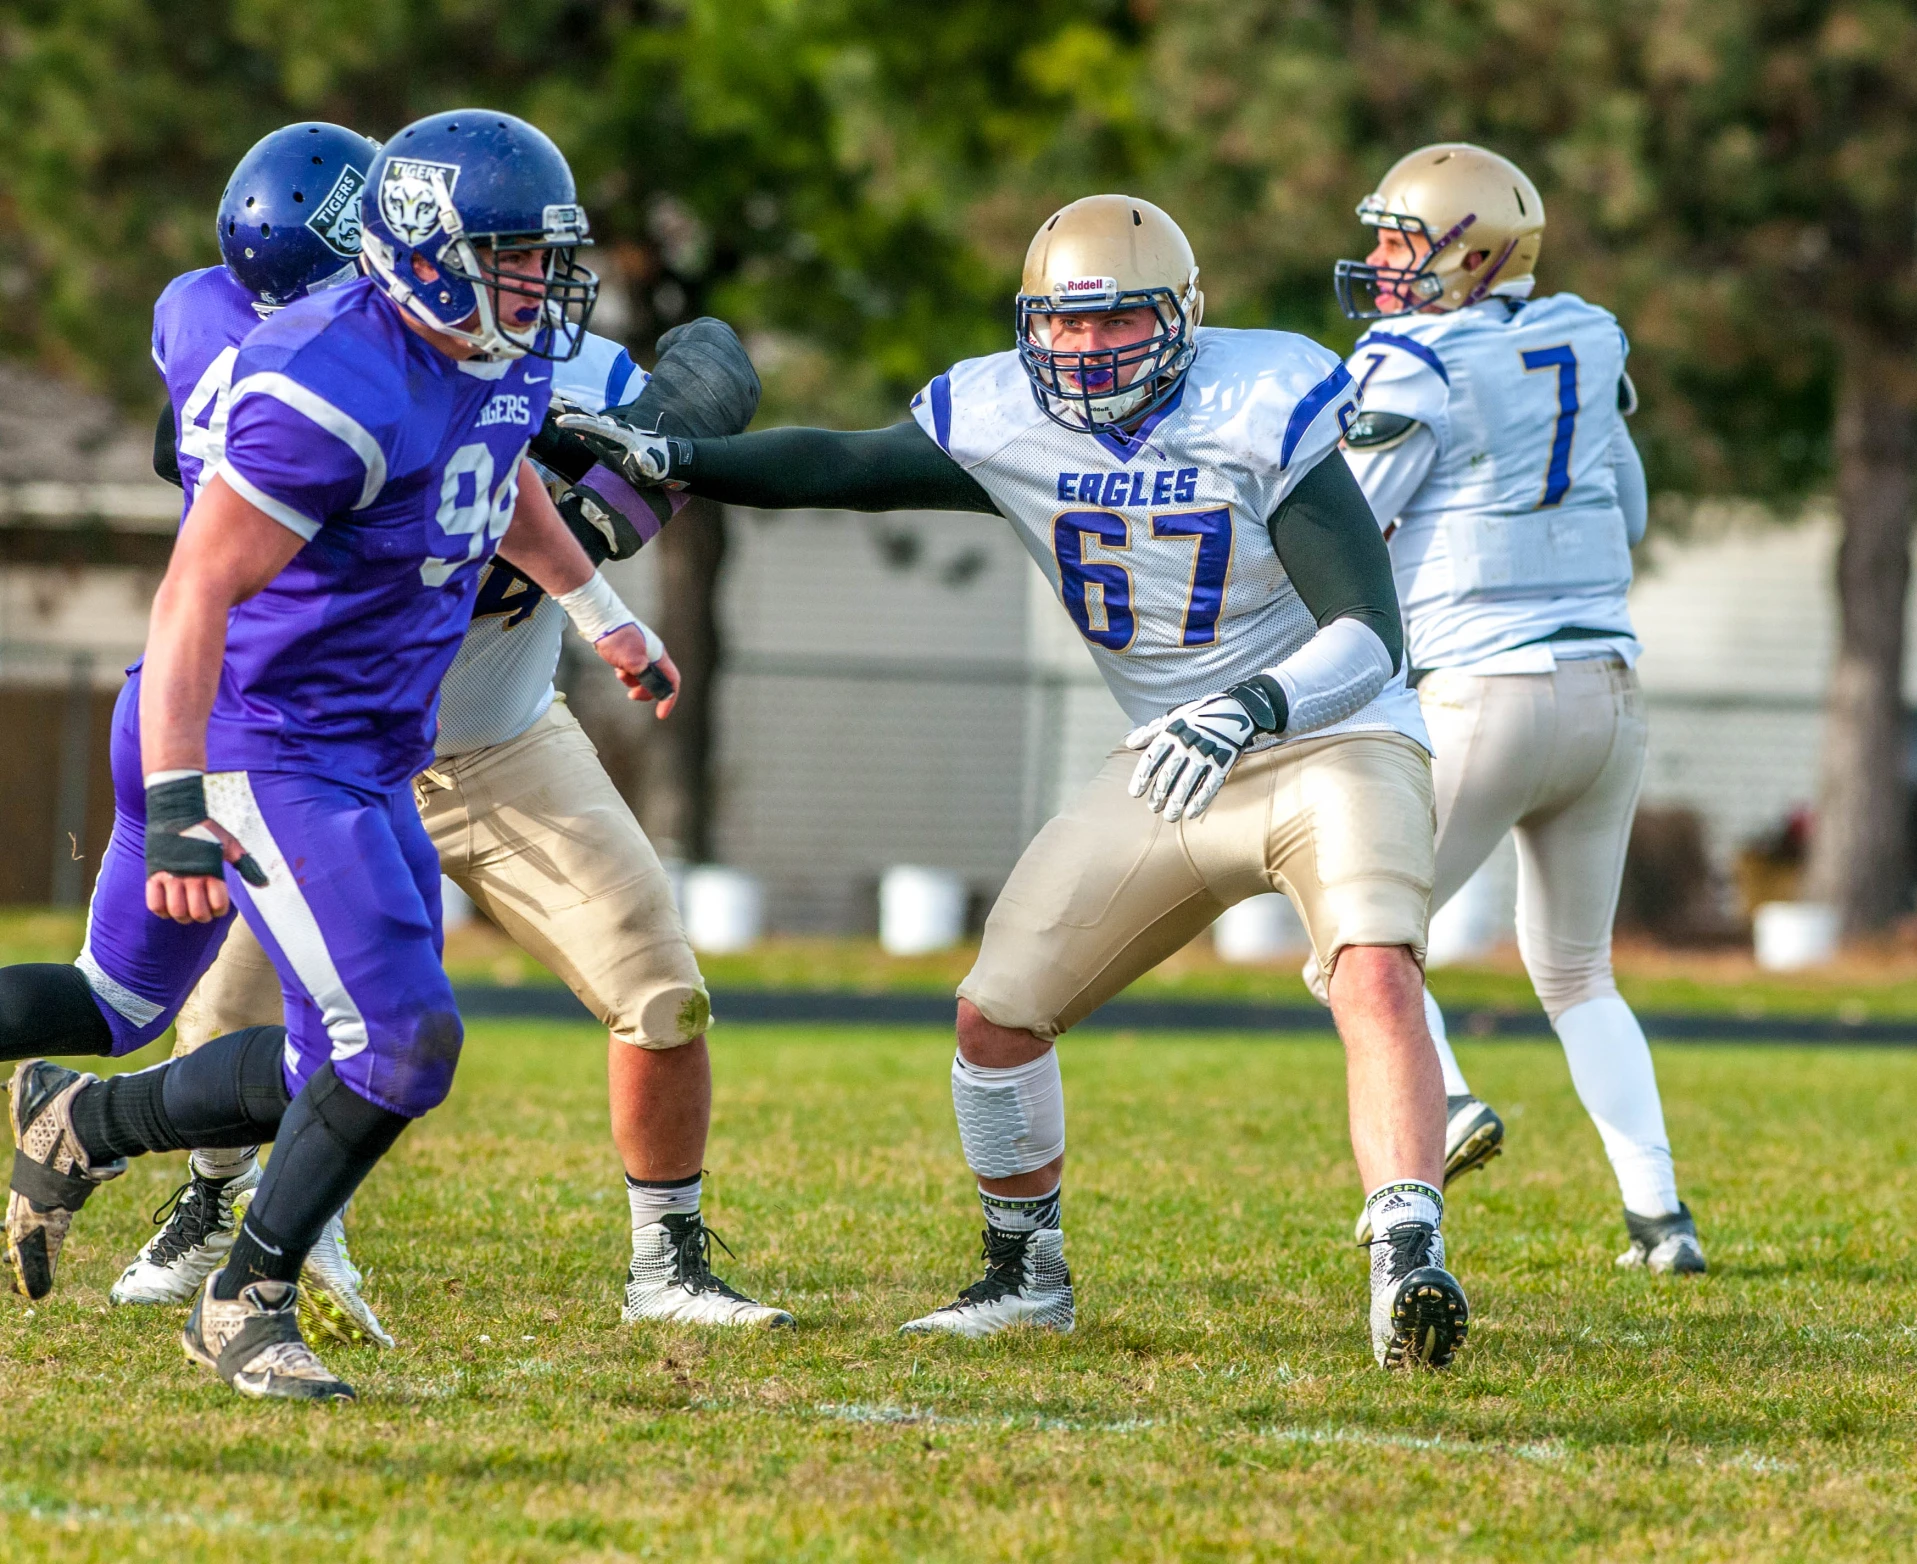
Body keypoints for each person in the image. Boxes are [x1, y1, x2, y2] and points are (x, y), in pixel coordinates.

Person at [562, 193, 1472, 1368]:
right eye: (1064, 326)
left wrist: (1252, 703)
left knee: (1374, 967)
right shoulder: (1004, 413)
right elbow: (850, 465)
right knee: (998, 1015)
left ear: (1183, 319)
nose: (1087, 353)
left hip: (1329, 733)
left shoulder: (1261, 400)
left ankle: (1407, 1257)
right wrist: (682, 457)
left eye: (1118, 324)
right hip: (1168, 760)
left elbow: (1370, 632)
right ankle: (1026, 1273)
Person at [6, 108, 673, 1401]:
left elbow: (502, 477)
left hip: (363, 744)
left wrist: (602, 612)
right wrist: (183, 804)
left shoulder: (489, 346)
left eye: (546, 257)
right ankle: (243, 1298)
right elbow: (194, 595)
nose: (540, 284)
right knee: (400, 1042)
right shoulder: (329, 380)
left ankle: (81, 1119)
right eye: (512, 256)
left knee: (297, 1053)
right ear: (424, 254)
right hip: (262, 738)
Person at [114, 132, 780, 1331]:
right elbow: (199, 482)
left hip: (501, 739)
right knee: (234, 1024)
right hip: (311, 748)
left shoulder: (526, 348)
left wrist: (635, 487)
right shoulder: (319, 374)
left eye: (537, 259)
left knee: (657, 988)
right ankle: (207, 1203)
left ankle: (667, 1255)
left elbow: (710, 371)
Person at [1327, 143, 1703, 1274]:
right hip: (1609, 690)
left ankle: (1438, 1107)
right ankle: (1661, 1220)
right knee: (1578, 971)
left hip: (1485, 692)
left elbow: (1347, 521)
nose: (1385, 262)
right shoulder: (1585, 333)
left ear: (1477, 252)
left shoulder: (1411, 361)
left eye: (1406, 240)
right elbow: (1629, 509)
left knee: (1357, 945)